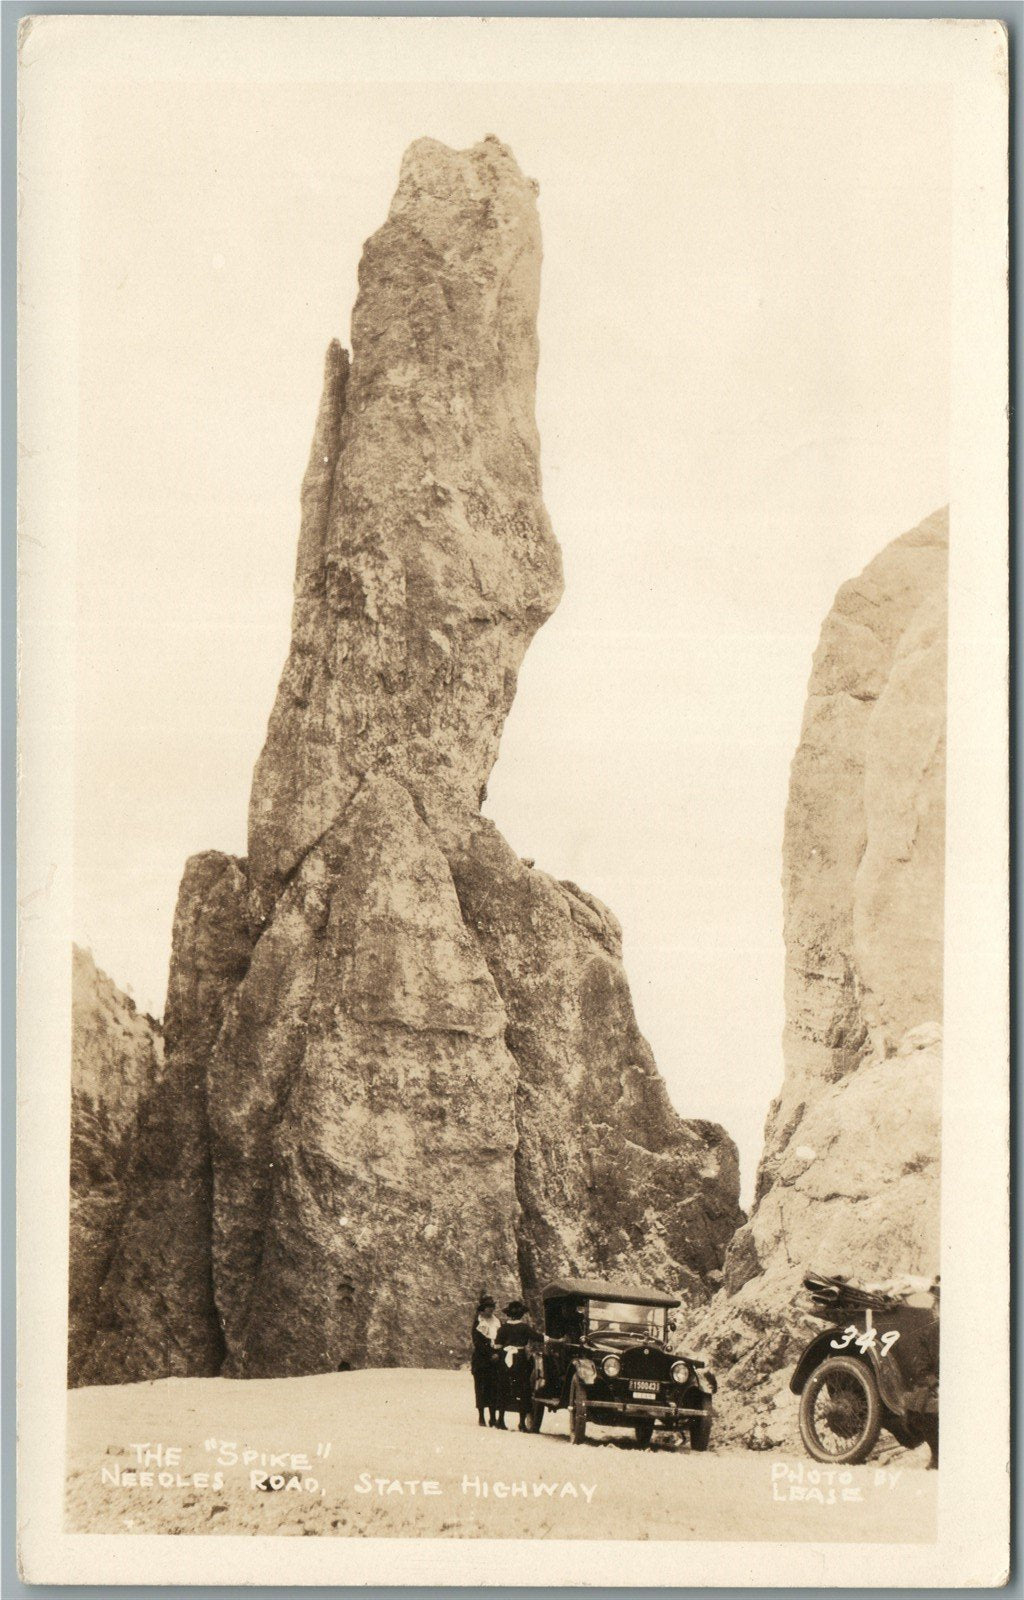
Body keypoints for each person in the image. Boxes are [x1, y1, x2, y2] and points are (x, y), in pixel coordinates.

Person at [495, 1299, 539, 1432]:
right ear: (521, 1315)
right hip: (520, 1359)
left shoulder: (503, 1328)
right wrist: (555, 1339)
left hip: (505, 1359)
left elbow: (497, 1345)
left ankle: (500, 1420)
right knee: (523, 1389)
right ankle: (521, 1423)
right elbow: (537, 1337)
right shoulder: (524, 1327)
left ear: (508, 1314)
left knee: (503, 1387)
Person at [470, 1295, 502, 1428]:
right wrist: (490, 1354)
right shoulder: (478, 1323)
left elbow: (501, 1339)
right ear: (482, 1309)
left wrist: (498, 1353)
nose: (491, 1310)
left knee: (494, 1389)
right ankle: (481, 1416)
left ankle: (493, 1417)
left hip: (495, 1361)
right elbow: (478, 1343)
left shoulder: (497, 1322)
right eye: (488, 1308)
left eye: (492, 1307)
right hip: (481, 1361)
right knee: (481, 1389)